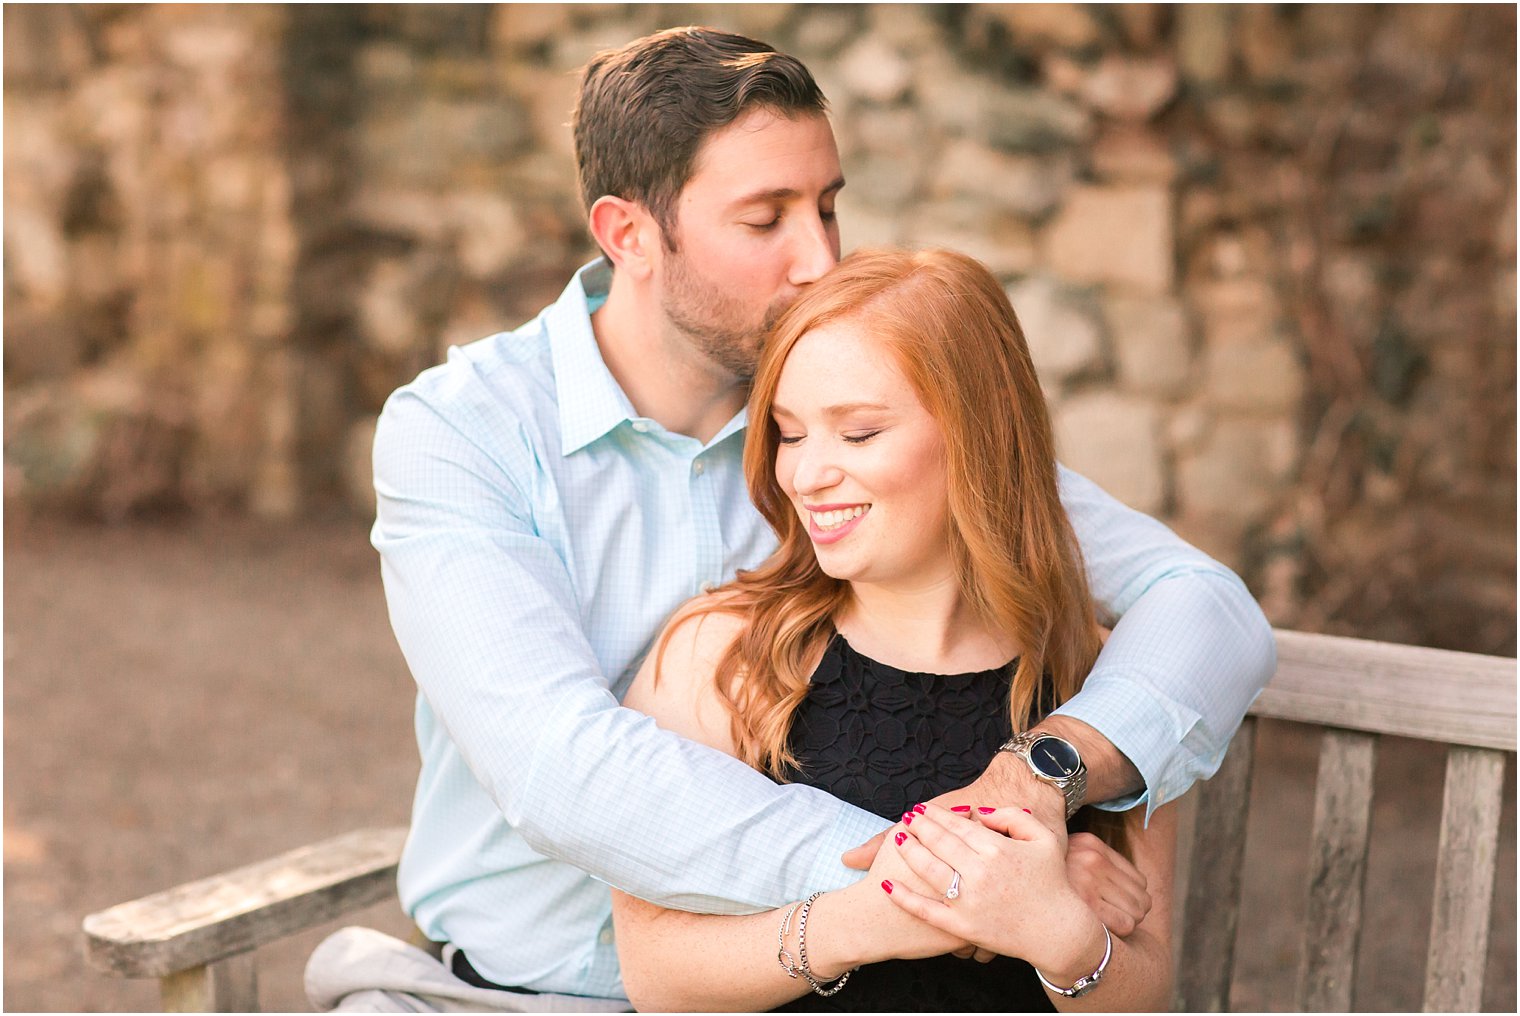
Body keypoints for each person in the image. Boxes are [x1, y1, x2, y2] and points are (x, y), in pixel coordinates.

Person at [307, 25, 1272, 1013]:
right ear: (627, 234)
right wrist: (941, 869)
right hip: (540, 992)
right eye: (765, 220)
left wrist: (1043, 774)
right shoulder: (465, 430)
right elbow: (558, 766)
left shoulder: (864, 422)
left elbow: (1202, 602)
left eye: (827, 206)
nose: (819, 260)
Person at [611, 245, 1177, 1012]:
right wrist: (890, 914)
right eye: (789, 432)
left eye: (858, 433)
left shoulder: (1105, 686)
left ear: (976, 438)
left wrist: (1060, 929)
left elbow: (1147, 997)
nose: (805, 475)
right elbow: (657, 976)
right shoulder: (722, 654)